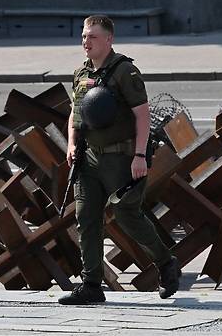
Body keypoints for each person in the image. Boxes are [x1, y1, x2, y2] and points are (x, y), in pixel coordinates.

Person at [58, 15, 180, 305]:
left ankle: (165, 263)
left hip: (122, 159)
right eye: (84, 36)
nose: (86, 42)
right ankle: (91, 285)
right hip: (89, 160)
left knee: (128, 216)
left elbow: (142, 115)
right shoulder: (80, 74)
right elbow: (76, 114)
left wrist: (139, 155)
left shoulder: (126, 72)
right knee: (86, 218)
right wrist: (72, 145)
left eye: (93, 37)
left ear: (109, 40)